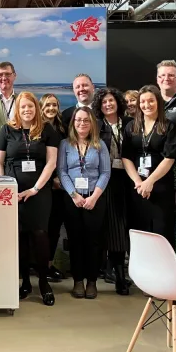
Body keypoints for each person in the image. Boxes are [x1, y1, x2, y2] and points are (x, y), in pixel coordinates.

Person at [0, 92, 59, 306]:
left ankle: (43, 281)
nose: (27, 110)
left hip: (39, 191)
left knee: (40, 234)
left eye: (30, 107)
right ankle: (24, 282)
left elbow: (51, 163)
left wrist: (35, 188)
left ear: (36, 109)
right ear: (17, 109)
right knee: (19, 236)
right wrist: (6, 187)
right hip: (13, 192)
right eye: (23, 107)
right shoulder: (6, 130)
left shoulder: (47, 130)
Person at [58, 107, 110, 300]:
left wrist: (94, 197)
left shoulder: (100, 145)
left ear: (92, 124)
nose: (82, 124)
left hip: (94, 199)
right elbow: (62, 171)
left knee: (94, 243)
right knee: (76, 241)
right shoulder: (65, 144)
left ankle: (92, 282)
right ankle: (78, 281)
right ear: (73, 123)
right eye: (78, 120)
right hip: (73, 199)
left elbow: (105, 172)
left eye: (86, 121)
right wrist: (74, 195)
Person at [122, 85, 176, 247]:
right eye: (143, 101)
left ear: (159, 102)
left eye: (151, 101)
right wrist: (138, 182)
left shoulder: (169, 127)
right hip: (137, 187)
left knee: (161, 229)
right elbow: (126, 157)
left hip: (160, 187)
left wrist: (150, 182)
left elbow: (169, 158)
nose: (146, 105)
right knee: (138, 228)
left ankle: (162, 270)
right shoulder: (131, 127)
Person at [93, 88, 132, 295]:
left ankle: (121, 273)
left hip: (128, 179)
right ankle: (115, 273)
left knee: (123, 226)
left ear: (118, 102)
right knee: (110, 227)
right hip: (103, 181)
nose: (108, 104)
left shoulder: (129, 124)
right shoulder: (97, 127)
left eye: (111, 101)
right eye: (104, 102)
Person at [39, 93, 66, 282]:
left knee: (55, 227)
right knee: (41, 228)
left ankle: (48, 265)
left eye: (54, 105)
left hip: (60, 185)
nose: (51, 108)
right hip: (41, 184)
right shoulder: (36, 128)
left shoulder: (63, 128)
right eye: (47, 105)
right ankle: (37, 264)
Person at [157, 60, 176, 127]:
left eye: (171, 75)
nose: (166, 78)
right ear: (157, 79)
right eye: (162, 75)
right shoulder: (150, 101)